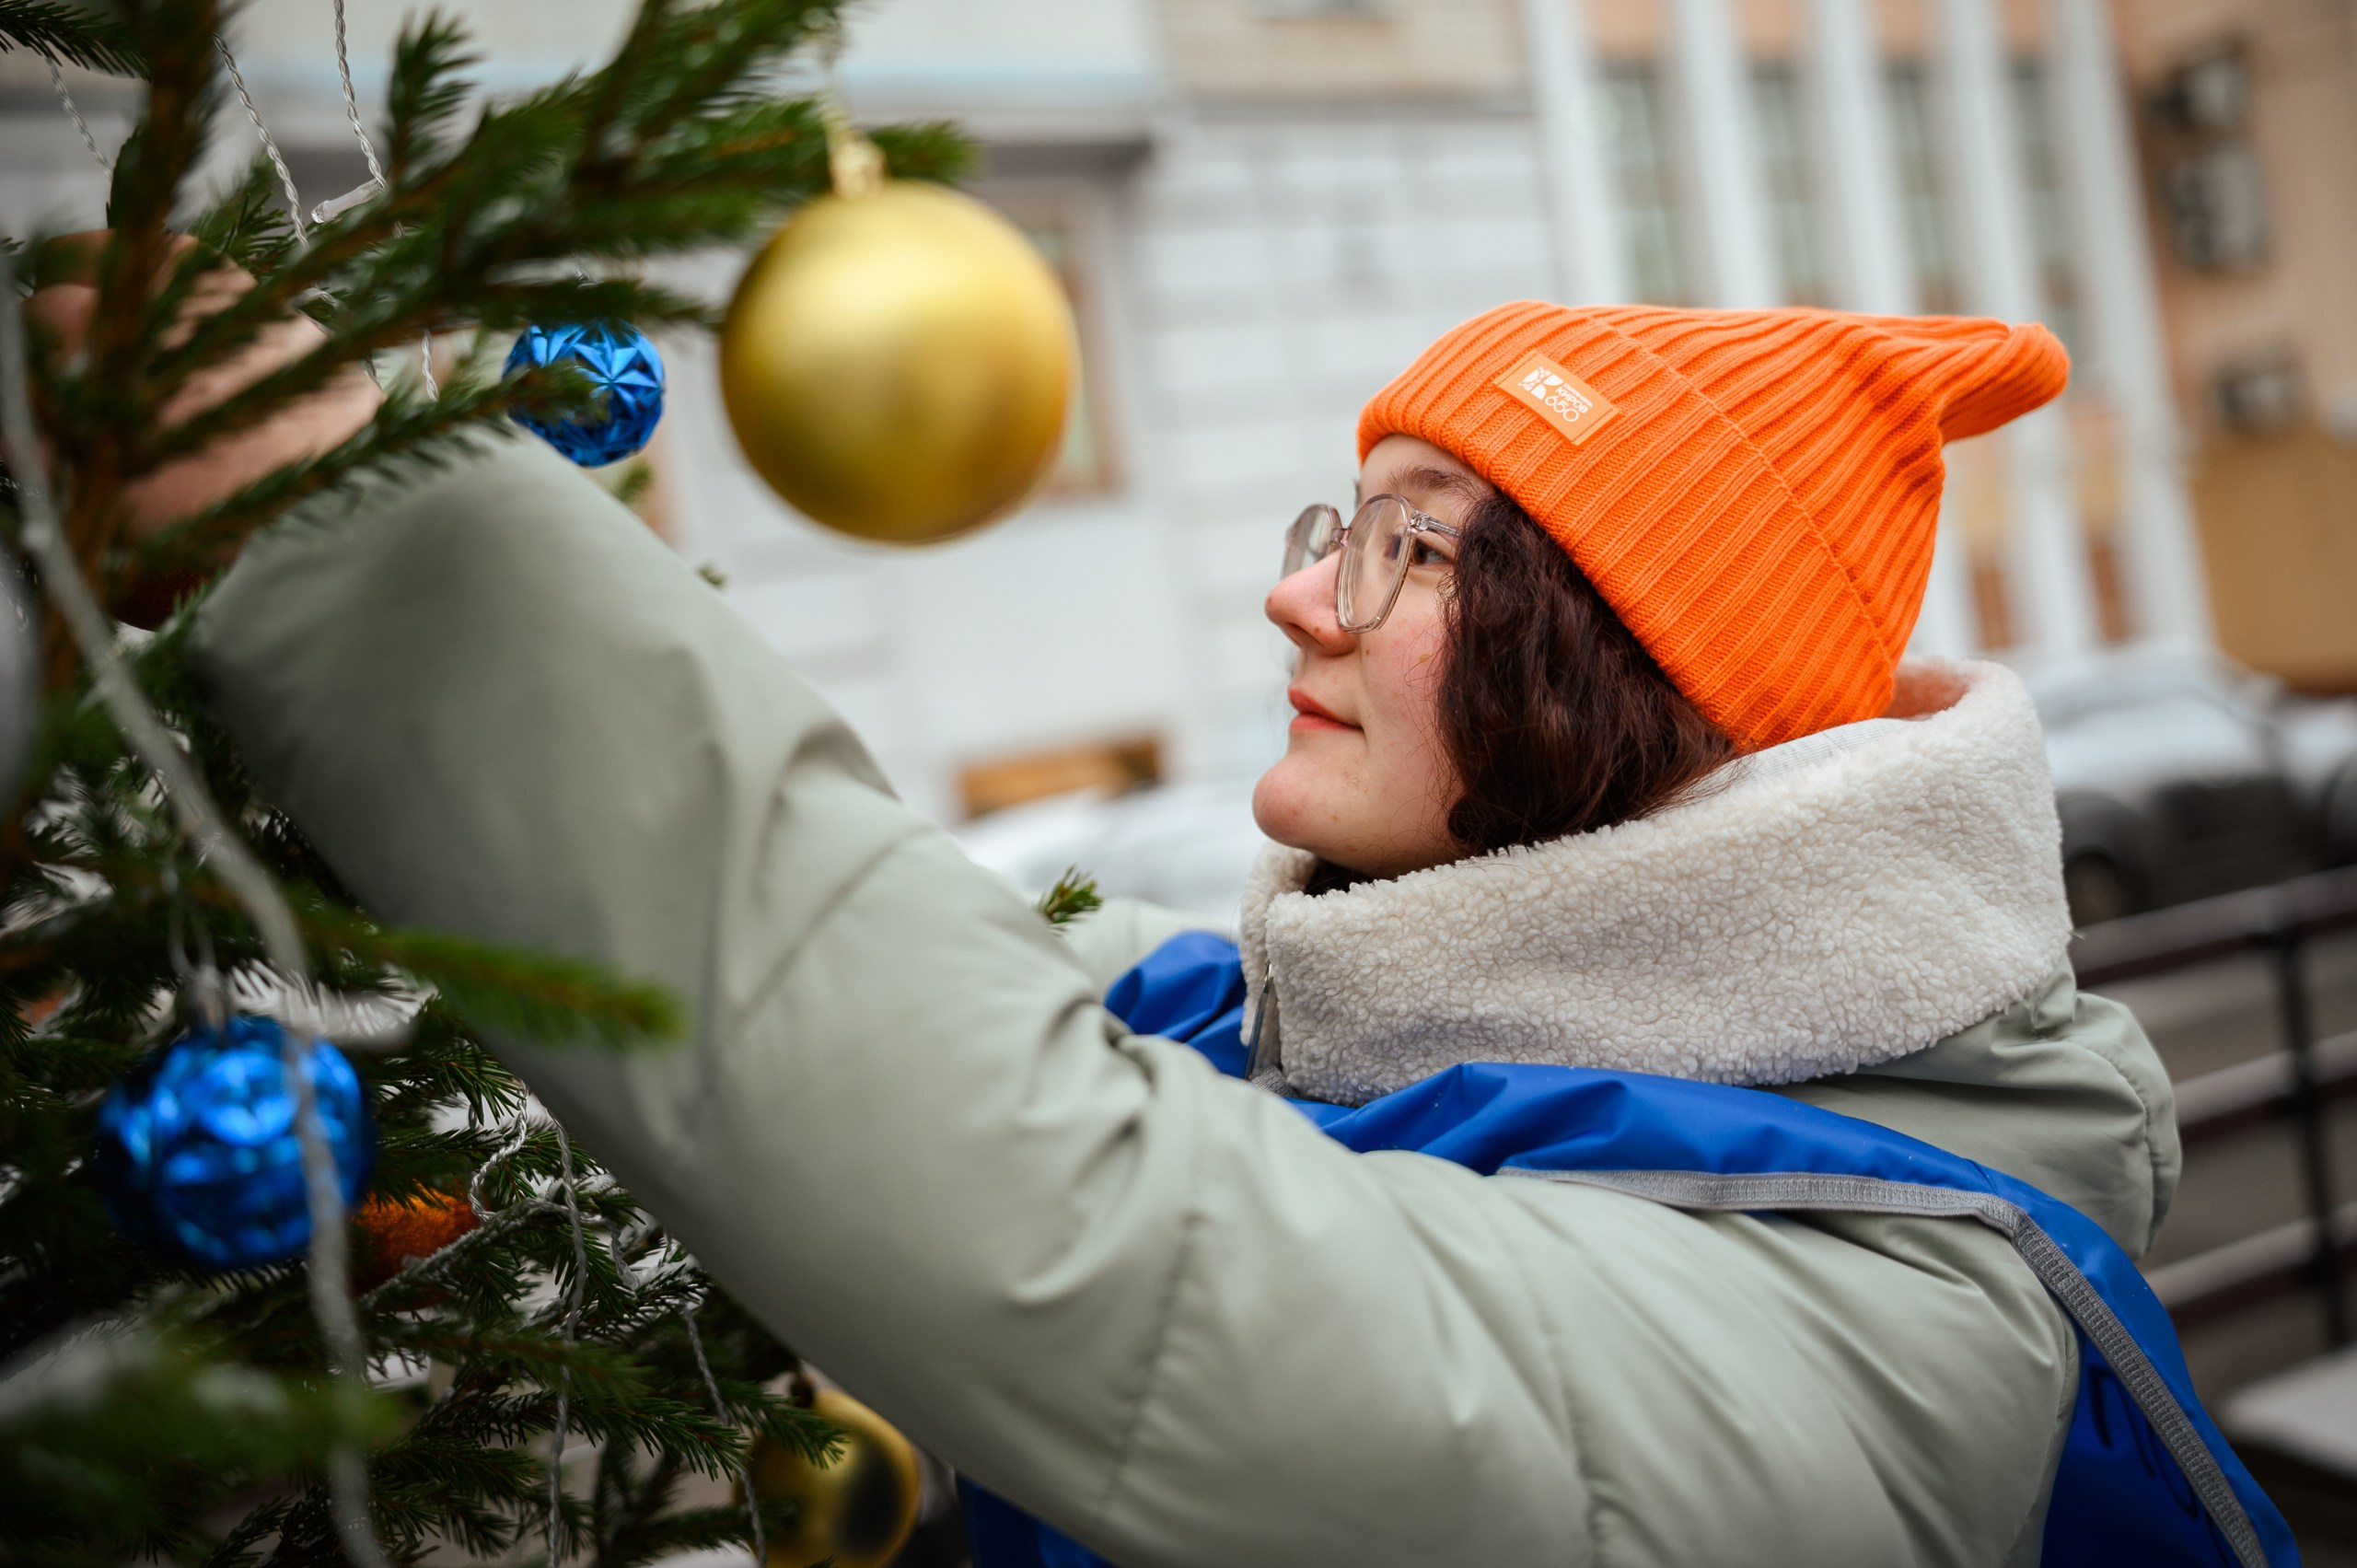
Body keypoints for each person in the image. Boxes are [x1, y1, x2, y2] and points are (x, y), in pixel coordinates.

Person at [39, 261, 2291, 1564]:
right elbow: (906, 991)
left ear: (1640, 688)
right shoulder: (1295, 1025)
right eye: (1347, 511)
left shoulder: (1894, 1326)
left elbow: (1094, 1240)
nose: (1296, 585)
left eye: (1417, 548)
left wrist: (375, 549)